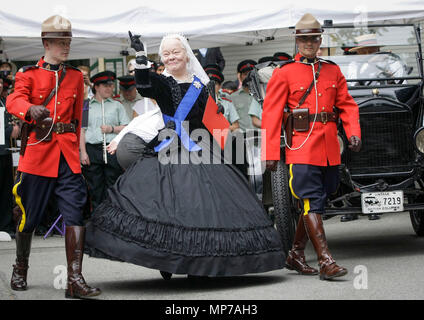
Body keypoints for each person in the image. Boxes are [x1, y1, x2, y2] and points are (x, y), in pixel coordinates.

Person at [84, 32, 285, 279]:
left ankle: (197, 263)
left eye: (175, 52)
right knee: (166, 203)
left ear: (186, 54)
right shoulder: (161, 81)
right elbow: (144, 85)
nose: (171, 57)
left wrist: (217, 113)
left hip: (200, 146)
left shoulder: (202, 84)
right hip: (168, 146)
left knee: (198, 205)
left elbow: (207, 119)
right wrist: (140, 56)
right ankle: (167, 259)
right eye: (166, 53)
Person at [6, 15, 100, 298]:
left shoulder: (74, 77)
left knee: (75, 213)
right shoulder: (28, 74)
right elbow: (14, 99)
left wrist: (80, 150)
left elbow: (77, 121)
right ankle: (20, 267)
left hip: (67, 156)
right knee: (28, 217)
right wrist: (29, 110)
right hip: (37, 156)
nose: (66, 46)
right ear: (46, 42)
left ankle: (74, 280)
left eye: (68, 41)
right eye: (61, 42)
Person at [261, 13, 362, 281]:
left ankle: (295, 252)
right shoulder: (284, 73)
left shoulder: (332, 70)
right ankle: (325, 261)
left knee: (321, 198)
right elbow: (271, 115)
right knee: (310, 198)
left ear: (319, 41)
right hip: (301, 146)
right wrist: (271, 153)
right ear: (297, 41)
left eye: (313, 39)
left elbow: (347, 105)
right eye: (303, 39)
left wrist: (353, 132)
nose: (308, 43)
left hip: (329, 147)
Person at [80, 71, 130, 212]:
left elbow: (127, 127)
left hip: (111, 148)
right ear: (96, 87)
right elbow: (81, 131)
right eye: (105, 86)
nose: (109, 88)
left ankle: (113, 218)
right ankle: (98, 220)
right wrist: (83, 153)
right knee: (95, 188)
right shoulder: (85, 106)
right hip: (92, 149)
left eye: (111, 85)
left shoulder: (117, 105)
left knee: (113, 186)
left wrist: (111, 128)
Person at [0, 77, 19, 238]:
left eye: (1, 83)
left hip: (4, 150)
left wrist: (14, 127)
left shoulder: (3, 102)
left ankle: (5, 226)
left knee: (6, 190)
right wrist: (10, 130)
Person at [204, 65, 240, 132]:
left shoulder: (227, 103)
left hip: (222, 137)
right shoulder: (199, 102)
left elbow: (236, 125)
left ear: (220, 86)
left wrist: (223, 129)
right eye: (208, 84)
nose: (212, 87)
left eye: (215, 84)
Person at [231, 59, 258, 132]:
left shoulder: (264, 95)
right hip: (243, 139)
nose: (249, 77)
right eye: (245, 74)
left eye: (251, 74)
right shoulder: (232, 98)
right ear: (240, 76)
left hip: (263, 136)